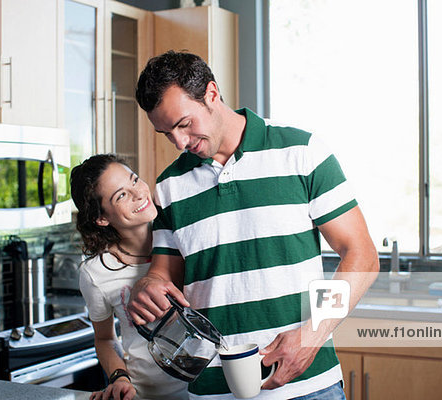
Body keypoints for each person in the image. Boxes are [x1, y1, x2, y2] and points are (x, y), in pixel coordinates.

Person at [127, 50, 380, 399]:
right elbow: (163, 274)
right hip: (213, 390)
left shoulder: (302, 152)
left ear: (212, 94)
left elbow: (362, 256)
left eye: (184, 124)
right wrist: (148, 287)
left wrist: (312, 336)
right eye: (166, 133)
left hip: (306, 387)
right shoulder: (169, 186)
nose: (180, 143)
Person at [70, 154, 189, 400]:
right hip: (148, 395)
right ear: (101, 218)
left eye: (134, 180)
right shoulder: (95, 272)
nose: (138, 193)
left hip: (210, 391)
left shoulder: (184, 237)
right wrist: (119, 377)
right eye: (121, 195)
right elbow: (104, 338)